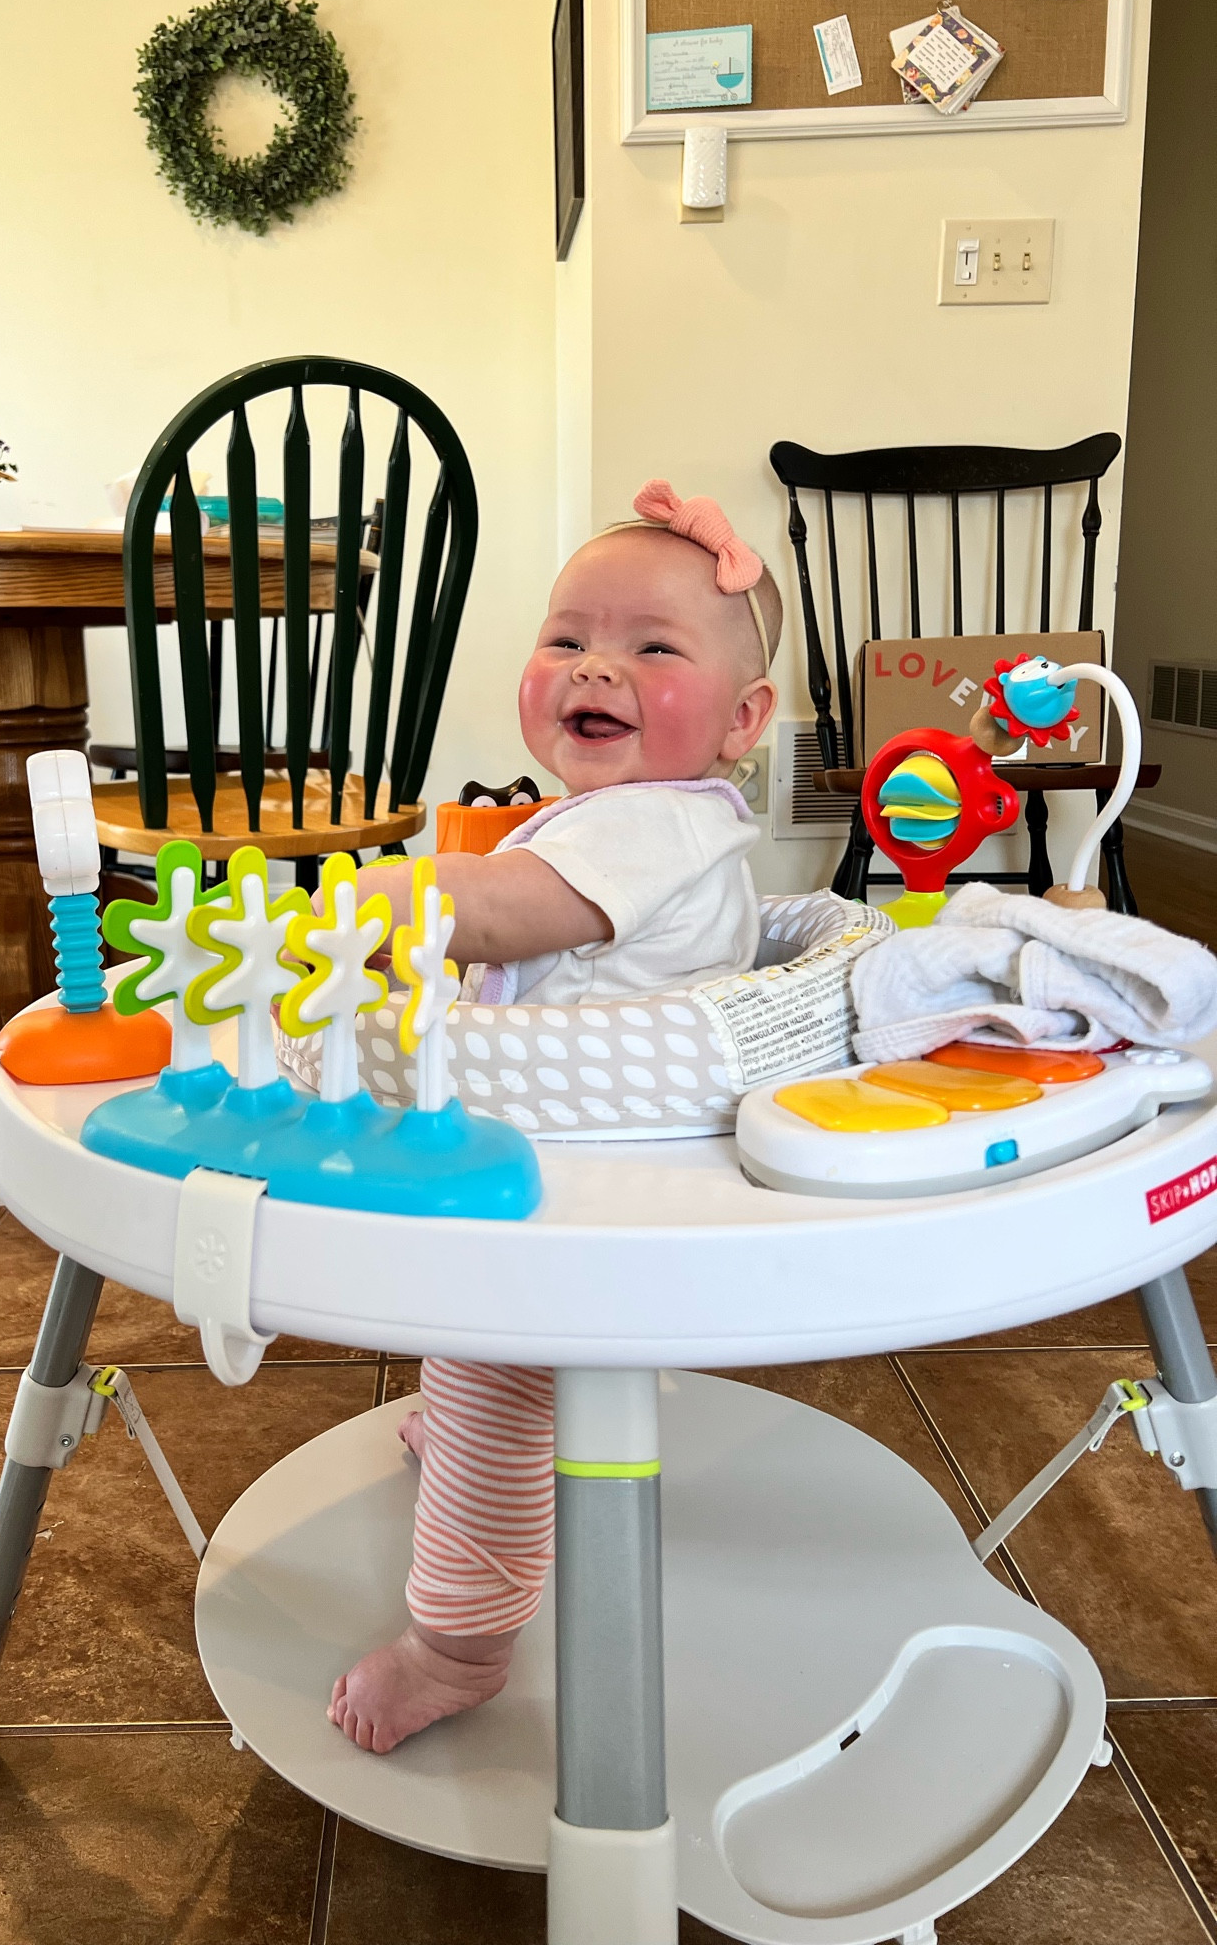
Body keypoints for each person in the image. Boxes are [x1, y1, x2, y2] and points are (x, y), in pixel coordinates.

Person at [327, 479, 783, 1753]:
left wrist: (377, 897)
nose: (599, 666)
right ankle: (481, 1418)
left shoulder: (646, 826)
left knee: (488, 1370)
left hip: (579, 1197)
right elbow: (518, 938)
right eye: (569, 635)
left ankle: (454, 1645)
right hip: (578, 1158)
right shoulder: (623, 817)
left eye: (653, 646)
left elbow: (505, 911)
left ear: (744, 719)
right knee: (474, 1355)